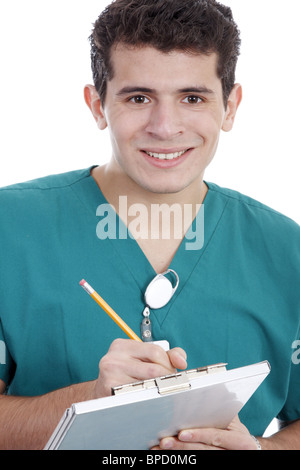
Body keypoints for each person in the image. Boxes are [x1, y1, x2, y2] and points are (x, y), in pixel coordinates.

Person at [0, 0, 299, 450]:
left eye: (192, 98)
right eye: (138, 98)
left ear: (230, 106)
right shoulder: (10, 228)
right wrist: (88, 402)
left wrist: (261, 450)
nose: (165, 127)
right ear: (98, 105)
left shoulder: (288, 252)